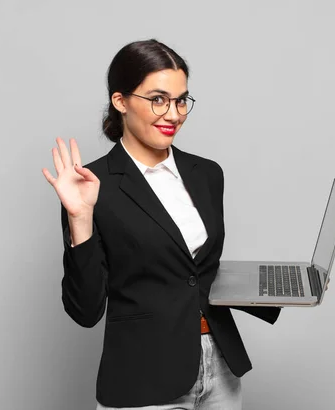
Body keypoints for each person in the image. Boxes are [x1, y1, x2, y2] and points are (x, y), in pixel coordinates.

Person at [42, 39, 282, 409]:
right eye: (158, 99)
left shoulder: (207, 174)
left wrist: (279, 288)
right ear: (120, 101)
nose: (173, 114)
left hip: (219, 367)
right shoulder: (91, 186)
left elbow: (197, 271)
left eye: (181, 99)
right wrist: (80, 217)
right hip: (143, 378)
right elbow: (86, 310)